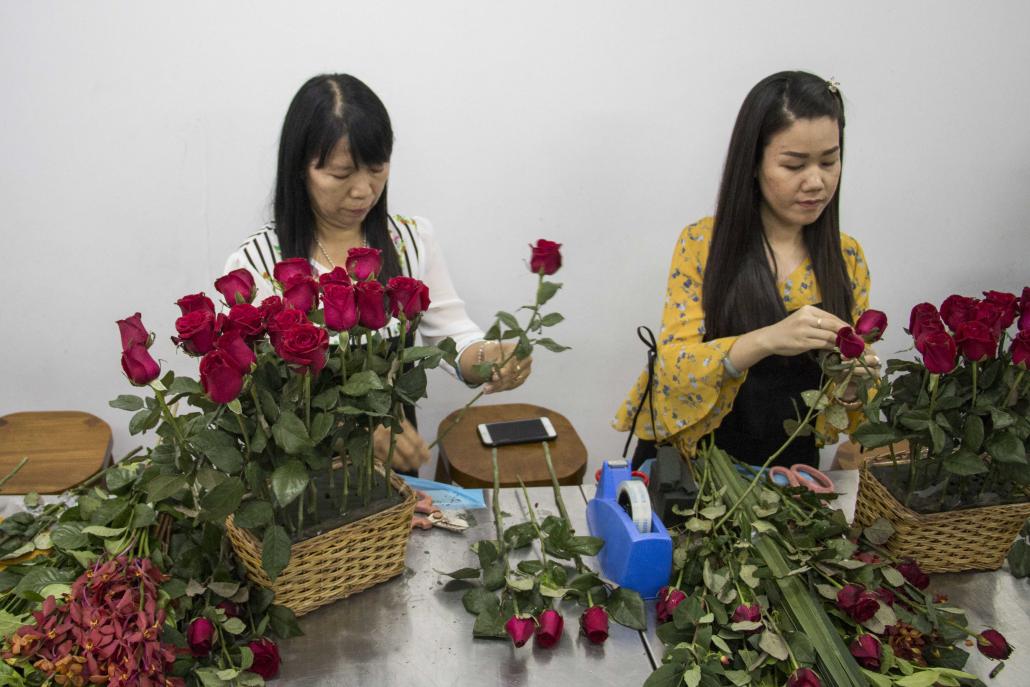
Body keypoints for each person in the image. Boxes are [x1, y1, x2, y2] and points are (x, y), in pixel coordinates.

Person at [225, 74, 531, 472]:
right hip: (299, 486)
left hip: (392, 480)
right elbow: (248, 398)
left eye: (377, 168)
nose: (363, 191)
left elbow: (451, 335)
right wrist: (352, 431)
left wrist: (492, 357)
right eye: (340, 174)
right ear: (300, 168)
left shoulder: (409, 241)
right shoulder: (256, 265)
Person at [614, 71, 877, 469]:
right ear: (753, 163)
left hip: (789, 469)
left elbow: (839, 409)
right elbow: (674, 370)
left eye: (829, 161)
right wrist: (769, 339)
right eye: (793, 165)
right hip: (690, 464)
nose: (816, 182)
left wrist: (855, 382)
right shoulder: (703, 244)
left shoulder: (846, 257)